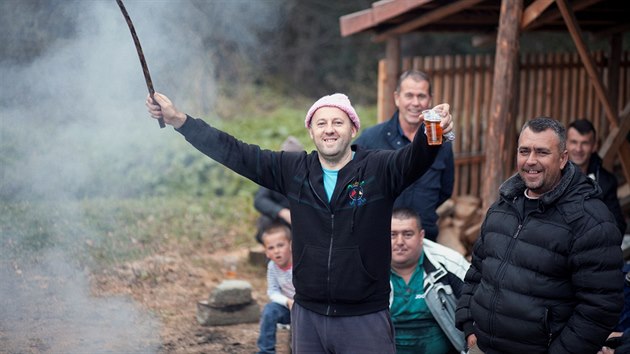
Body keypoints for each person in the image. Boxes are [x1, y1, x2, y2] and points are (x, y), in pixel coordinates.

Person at [146, 91, 454, 353]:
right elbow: (235, 152)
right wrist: (180, 121)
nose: (329, 129)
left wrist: (433, 131)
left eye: (338, 122)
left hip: (364, 317)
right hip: (307, 316)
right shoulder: (294, 170)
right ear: (311, 131)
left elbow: (418, 157)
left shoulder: (379, 169)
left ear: (353, 130)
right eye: (321, 123)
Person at [455, 117, 624, 353]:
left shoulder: (589, 220)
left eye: (542, 152)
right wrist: (468, 325)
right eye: (524, 151)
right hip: (481, 347)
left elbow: (600, 306)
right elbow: (477, 270)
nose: (531, 161)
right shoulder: (502, 207)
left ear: (563, 158)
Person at [355, 70, 454, 241]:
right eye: (409, 95)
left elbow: (445, 190)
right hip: (378, 237)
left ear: (429, 99)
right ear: (396, 98)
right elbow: (352, 182)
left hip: (425, 237)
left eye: (421, 96)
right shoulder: (371, 139)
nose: (415, 103)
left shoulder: (440, 143)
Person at [389, 208, 469, 354]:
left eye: (407, 234)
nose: (399, 242)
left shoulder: (449, 263)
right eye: (392, 235)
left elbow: (478, 306)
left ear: (421, 236)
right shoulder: (369, 271)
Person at [567, 118, 627, 235]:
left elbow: (618, 225)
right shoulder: (552, 175)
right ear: (566, 144)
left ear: (594, 146)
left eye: (584, 143)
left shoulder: (606, 181)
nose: (578, 149)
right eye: (574, 142)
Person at [253, 136, 303, 243]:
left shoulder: (309, 176)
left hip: (300, 222)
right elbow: (259, 200)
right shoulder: (273, 176)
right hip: (280, 221)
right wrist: (282, 212)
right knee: (266, 220)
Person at [257, 223, 295, 354]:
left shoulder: (299, 263)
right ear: (267, 252)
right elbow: (272, 291)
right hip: (287, 307)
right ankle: (266, 351)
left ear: (290, 245)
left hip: (306, 308)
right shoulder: (272, 267)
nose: (276, 251)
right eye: (271, 248)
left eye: (280, 245)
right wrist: (287, 302)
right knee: (269, 310)